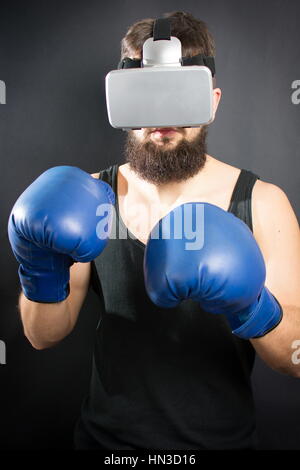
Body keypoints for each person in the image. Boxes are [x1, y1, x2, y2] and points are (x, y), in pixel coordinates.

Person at [8, 11, 300, 450]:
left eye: (179, 95)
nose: (163, 115)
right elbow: (42, 335)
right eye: (146, 95)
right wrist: (38, 265)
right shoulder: (92, 197)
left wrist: (252, 304)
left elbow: (295, 358)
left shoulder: (261, 201)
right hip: (105, 447)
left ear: (212, 101)